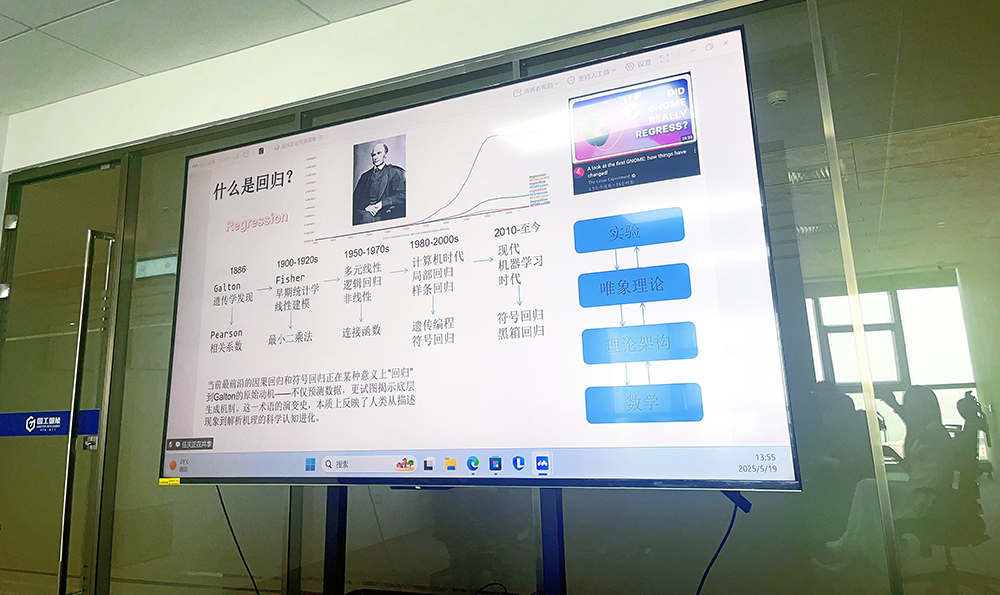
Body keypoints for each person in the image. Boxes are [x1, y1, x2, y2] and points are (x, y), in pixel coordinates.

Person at [353, 142, 406, 225]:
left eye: (379, 153)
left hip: (385, 214)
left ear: (385, 155)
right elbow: (355, 199)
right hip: (366, 214)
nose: (376, 157)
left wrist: (382, 204)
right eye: (373, 155)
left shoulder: (394, 172)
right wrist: (366, 207)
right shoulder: (365, 176)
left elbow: (402, 195)